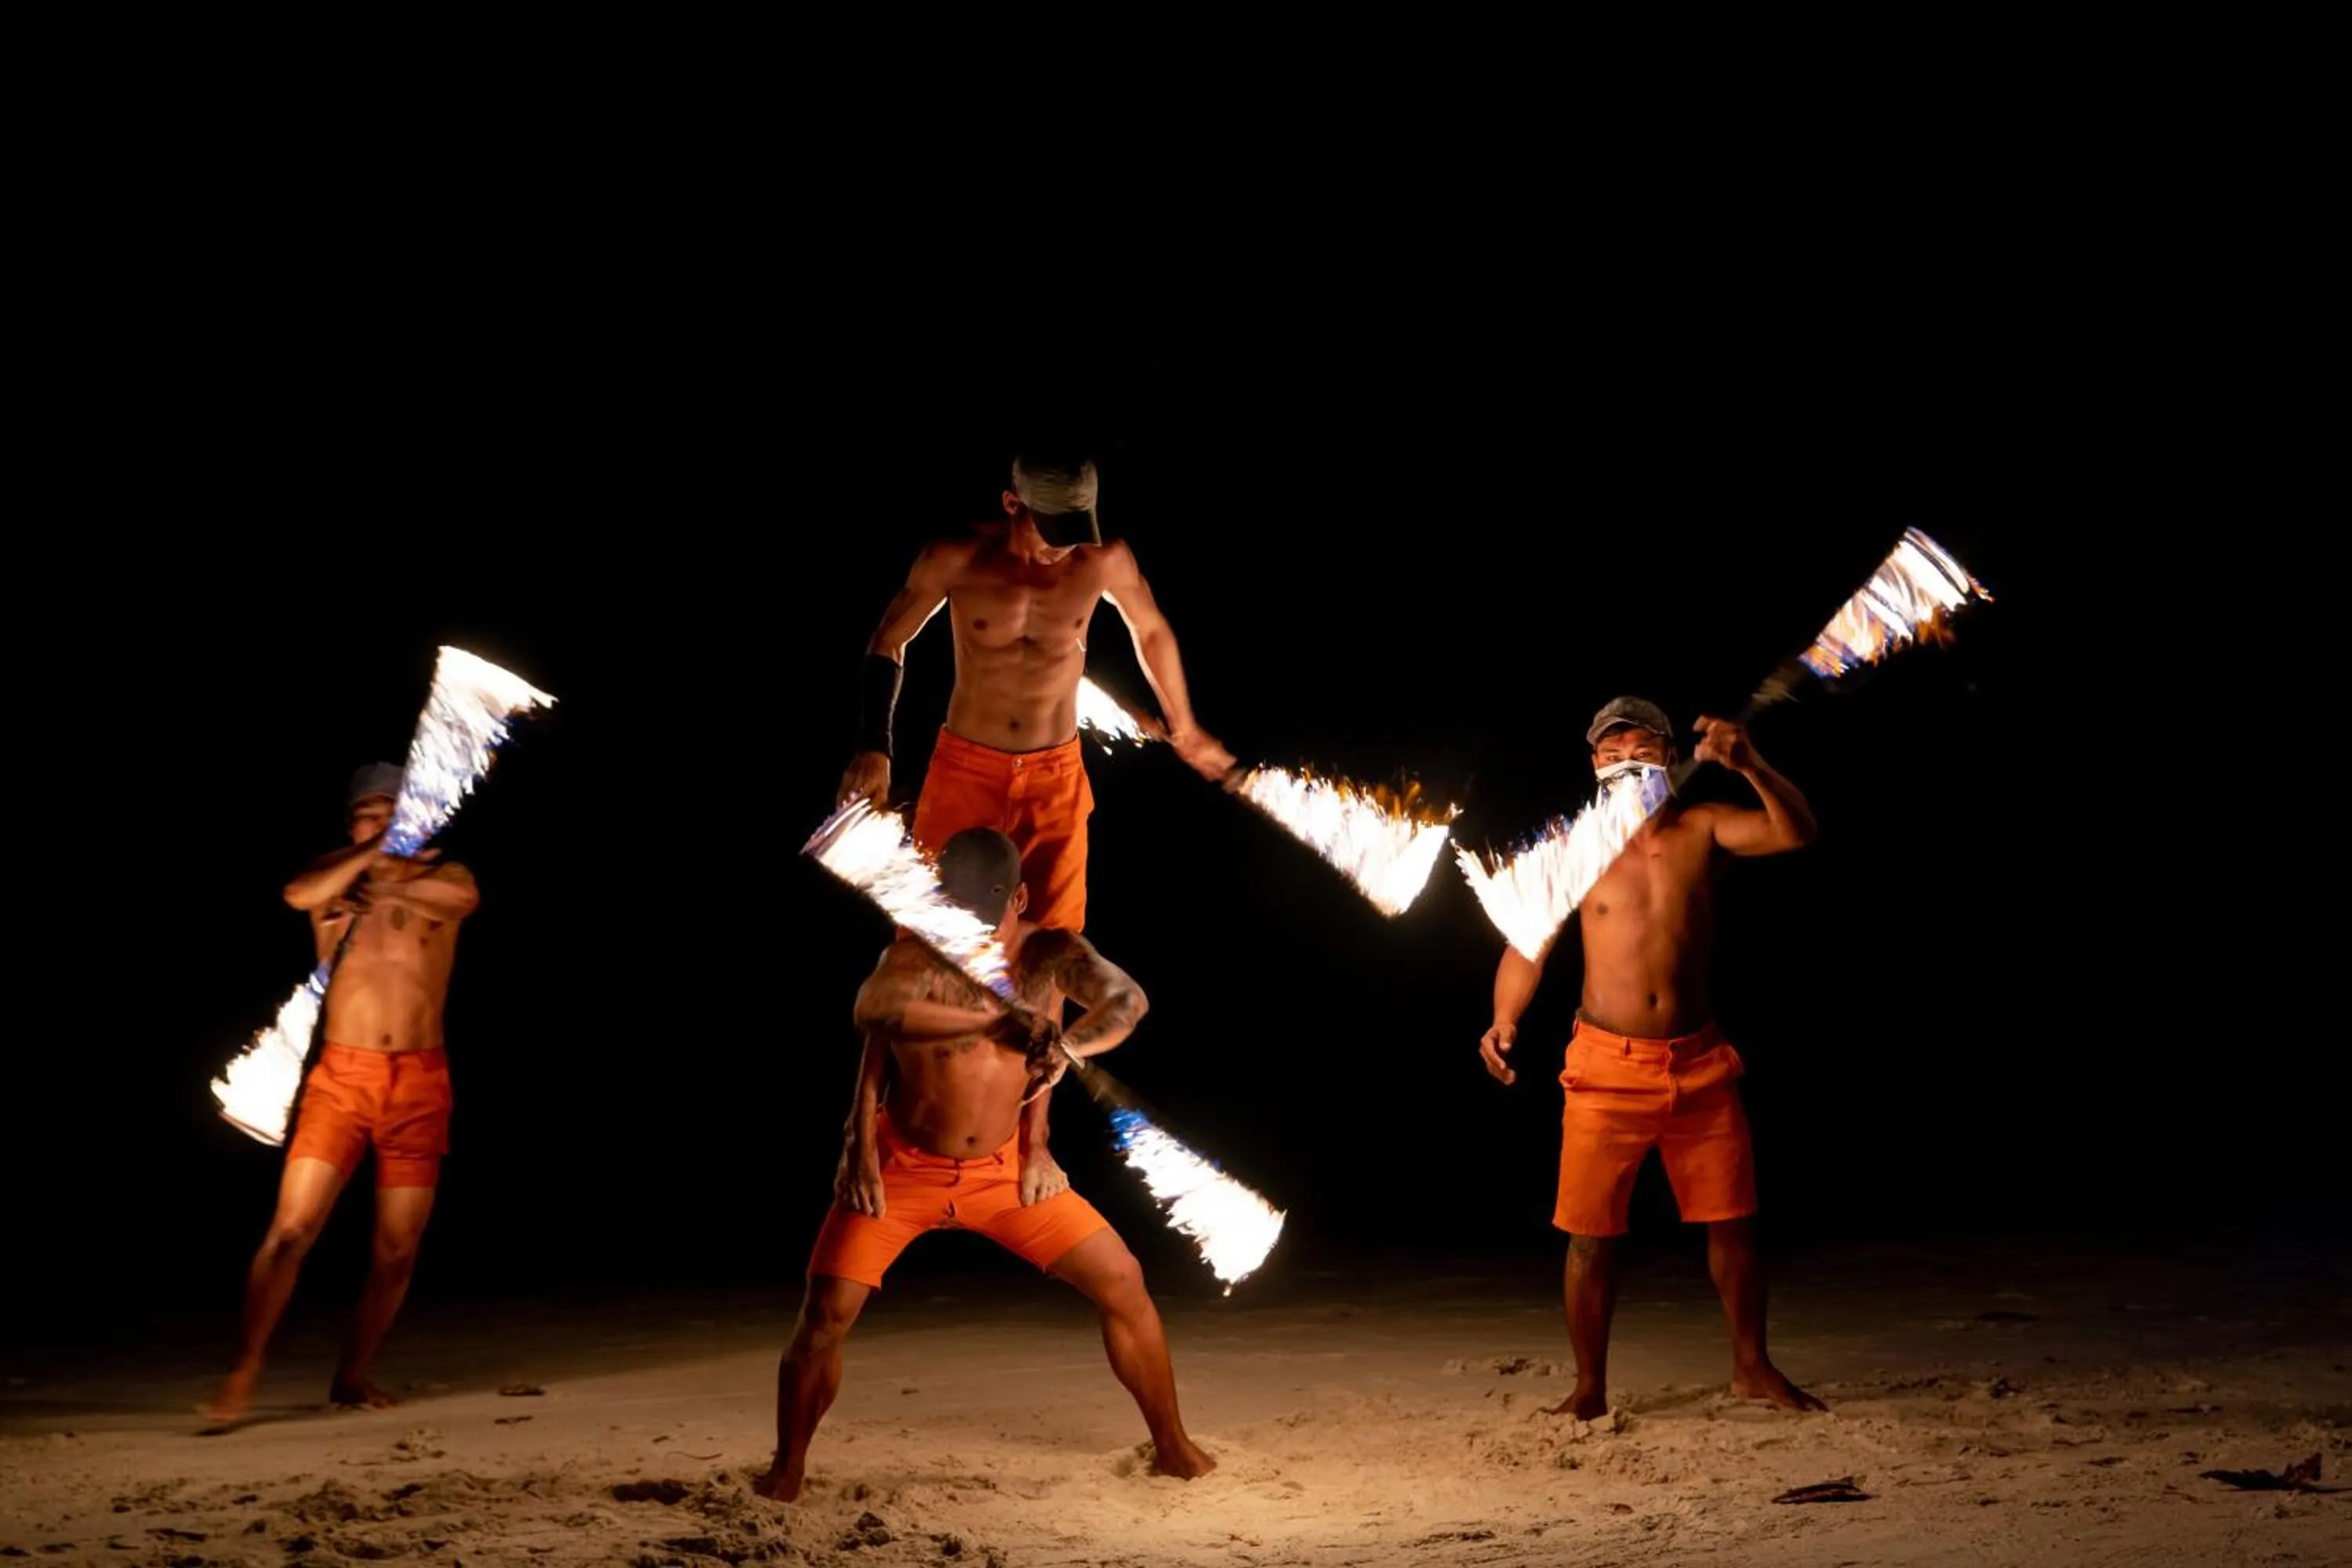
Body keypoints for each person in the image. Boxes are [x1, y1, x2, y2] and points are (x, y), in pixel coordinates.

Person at [753, 826, 1216, 1502]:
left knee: (1123, 1280)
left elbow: (1128, 1002)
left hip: (1005, 1176)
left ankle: (1173, 1448)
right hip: (903, 1169)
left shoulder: (1052, 956)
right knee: (823, 1319)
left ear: (1020, 898)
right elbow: (873, 1011)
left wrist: (1072, 1049)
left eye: (981, 915)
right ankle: (787, 1471)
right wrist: (990, 1024)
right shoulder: (914, 954)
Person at [836, 447, 1237, 1176]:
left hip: (1054, 775)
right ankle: (872, 1134)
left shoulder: (1102, 558)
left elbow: (1151, 630)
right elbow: (888, 639)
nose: (1065, 544)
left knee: (1053, 948)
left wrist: (1186, 725)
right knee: (926, 940)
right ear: (1012, 504)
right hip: (966, 772)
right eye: (1050, 526)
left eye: (1075, 527)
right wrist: (874, 748)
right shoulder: (957, 556)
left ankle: (1034, 1140)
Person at [1477, 695, 1827, 1420]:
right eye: (1609, 750)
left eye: (1637, 746)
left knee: (1733, 1224)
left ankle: (1752, 1367)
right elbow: (1526, 946)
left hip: (1700, 1062)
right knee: (1588, 1238)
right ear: (1592, 764)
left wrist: (1750, 763)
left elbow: (1796, 832)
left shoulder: (1702, 826)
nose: (1623, 759)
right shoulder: (1573, 850)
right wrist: (1503, 1018)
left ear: (1667, 755)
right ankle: (1589, 1389)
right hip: (1605, 1067)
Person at [199, 762, 481, 1425]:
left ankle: (353, 1376)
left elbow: (458, 902)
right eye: (369, 815)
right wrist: (372, 860)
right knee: (292, 1231)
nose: (381, 823)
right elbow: (299, 894)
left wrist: (384, 877)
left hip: (419, 1081)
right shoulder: (333, 876)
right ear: (352, 822)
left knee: (397, 1248)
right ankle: (243, 1369)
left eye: (394, 813)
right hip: (342, 1079)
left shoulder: (448, 875)